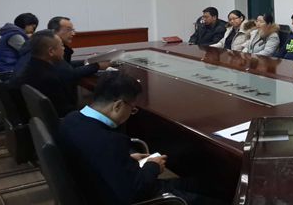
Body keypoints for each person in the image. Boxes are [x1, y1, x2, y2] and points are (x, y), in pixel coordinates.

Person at [58, 71, 225, 205]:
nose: (131, 114)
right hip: (136, 196)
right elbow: (134, 193)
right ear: (118, 105)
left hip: (102, 183)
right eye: (132, 109)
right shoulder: (110, 140)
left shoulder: (70, 120)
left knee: (201, 184)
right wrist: (153, 166)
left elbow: (97, 157)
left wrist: (127, 158)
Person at [10, 29, 77, 116]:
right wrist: (91, 111)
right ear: (51, 51)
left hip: (32, 118)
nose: (63, 49)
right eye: (61, 46)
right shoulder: (49, 79)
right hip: (54, 121)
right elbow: (67, 112)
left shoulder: (31, 67)